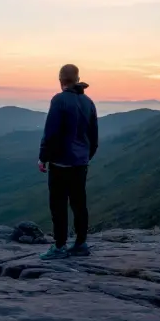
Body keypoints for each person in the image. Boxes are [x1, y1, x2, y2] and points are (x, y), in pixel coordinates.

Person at [37, 63, 98, 259]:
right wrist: (86, 157)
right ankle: (81, 244)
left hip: (61, 163)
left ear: (61, 80)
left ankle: (60, 246)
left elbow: (51, 132)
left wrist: (43, 157)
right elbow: (94, 137)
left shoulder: (59, 100)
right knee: (79, 204)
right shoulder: (89, 102)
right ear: (78, 79)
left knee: (58, 204)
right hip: (80, 164)